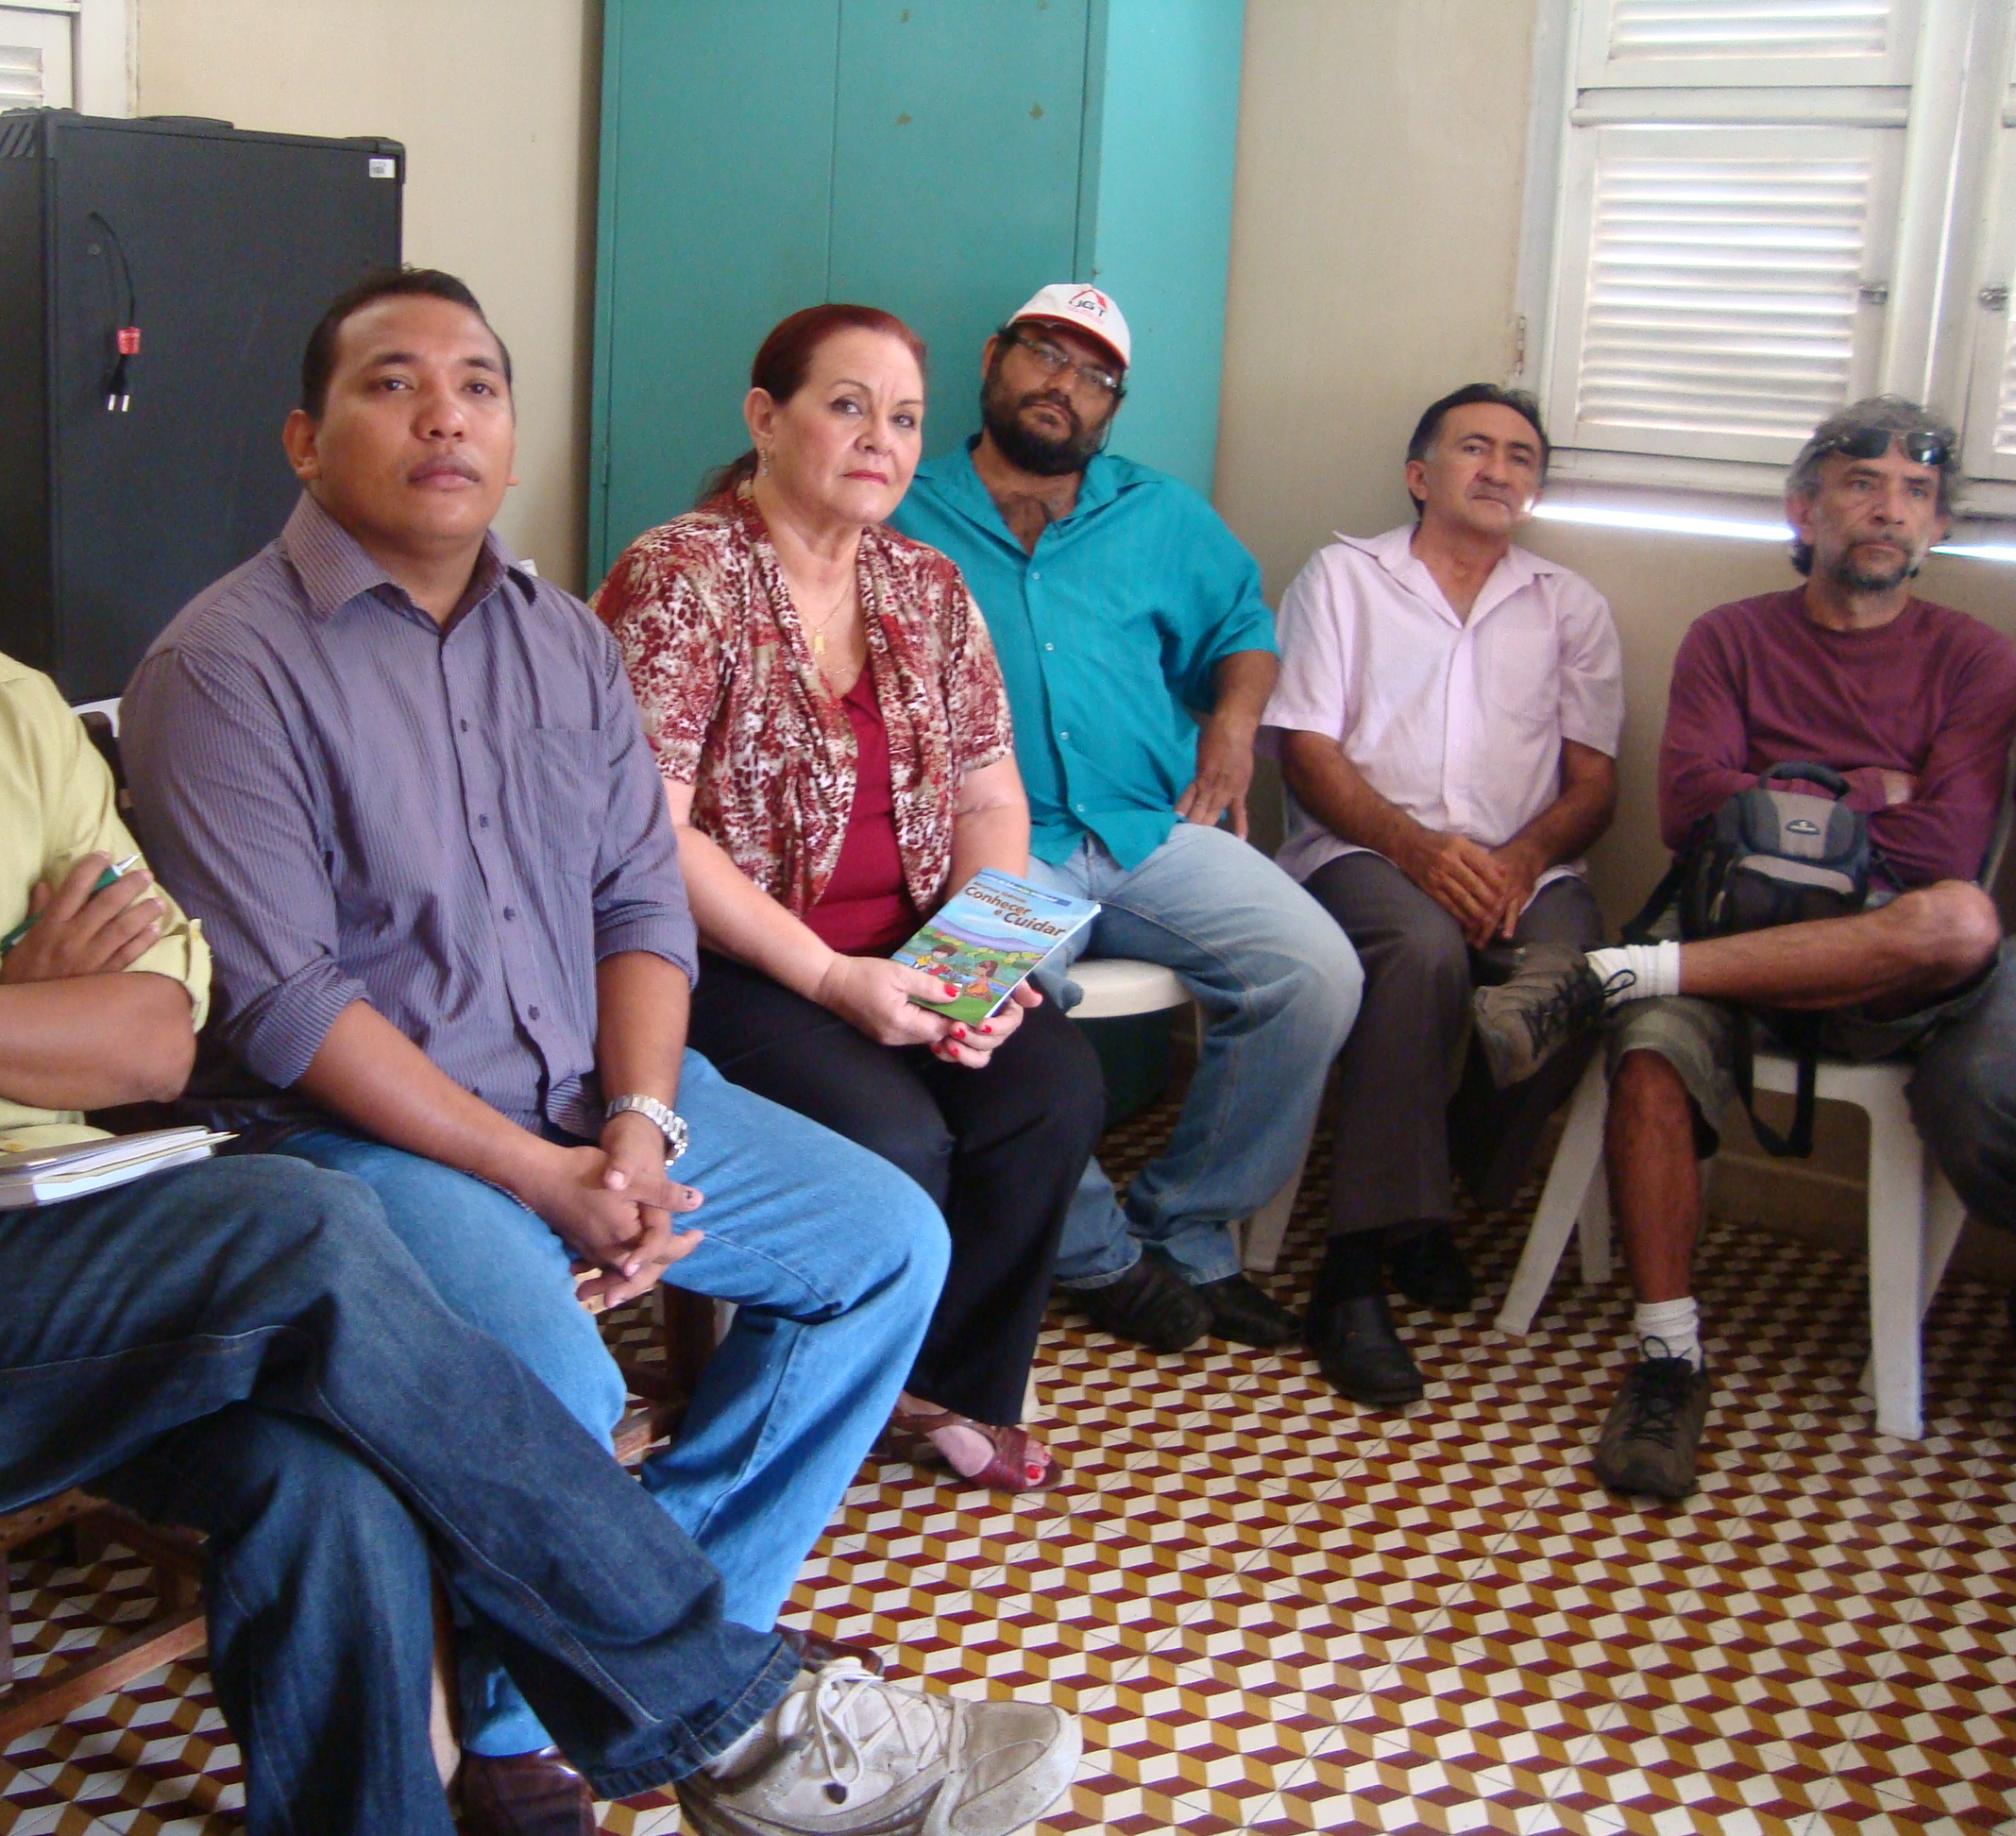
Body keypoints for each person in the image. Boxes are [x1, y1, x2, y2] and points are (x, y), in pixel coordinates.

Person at [0, 248, 1076, 1836]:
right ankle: (729, 1711)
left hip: (74, 1235)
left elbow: (149, 1037)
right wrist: (25, 1020)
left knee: (335, 1485)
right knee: (310, 1223)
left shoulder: (8, 710)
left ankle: (538, 1727)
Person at [121, 270, 967, 1836]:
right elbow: (282, 1008)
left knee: (886, 1246)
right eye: (392, 383)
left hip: (591, 1101)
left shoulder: (561, 643)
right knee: (564, 1383)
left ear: (512, 437)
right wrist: (543, 1177)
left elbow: (642, 895)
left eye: (479, 384)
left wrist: (638, 1129)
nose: (444, 413)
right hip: (354, 1141)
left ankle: (561, 1688)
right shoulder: (224, 662)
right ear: (305, 440)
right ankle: (613, 1697)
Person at [595, 303, 1109, 1494]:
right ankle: (801, 1397)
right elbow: (651, 838)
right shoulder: (683, 575)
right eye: (847, 405)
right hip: (727, 960)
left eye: (906, 418)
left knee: (1048, 1089)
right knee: (892, 1134)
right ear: (765, 420)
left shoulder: (928, 586)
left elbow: (991, 803)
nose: (882, 438)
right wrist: (833, 979)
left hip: (912, 944)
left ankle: (937, 1385)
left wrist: (978, 970)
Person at [1474, 396, 2016, 1500]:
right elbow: (1689, 810)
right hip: (1725, 927)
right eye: (1862, 485)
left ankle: (1612, 973)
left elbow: (1947, 842)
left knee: (1961, 916)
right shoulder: (1733, 635)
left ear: (1937, 527)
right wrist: (1872, 794)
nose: (1889, 512)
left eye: (1916, 495)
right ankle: (1669, 1360)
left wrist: (1786, 806)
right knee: (1653, 1054)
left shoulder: (1976, 659)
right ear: (1803, 508)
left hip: (1887, 953)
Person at [888, 281, 1362, 1355]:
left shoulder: (1162, 514)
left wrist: (1235, 724)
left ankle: (1185, 1229)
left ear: (1113, 405)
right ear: (992, 359)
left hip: (1148, 830)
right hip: (998, 847)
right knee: (972, 1005)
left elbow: (1244, 628)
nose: (1064, 385)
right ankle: (1098, 1254)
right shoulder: (901, 498)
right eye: (1046, 355)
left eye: (1093, 374)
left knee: (1317, 974)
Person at [1260, 384, 1623, 1407]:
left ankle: (1431, 1197)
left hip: (1525, 865)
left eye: (1520, 456)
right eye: (1475, 448)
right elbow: (1307, 752)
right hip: (1366, 850)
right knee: (1419, 953)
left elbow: (1595, 787)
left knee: (1576, 978)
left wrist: (1516, 861)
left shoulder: (1570, 606)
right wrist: (1419, 852)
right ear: (1421, 475)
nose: (1499, 469)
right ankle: (1356, 1264)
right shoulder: (1345, 579)